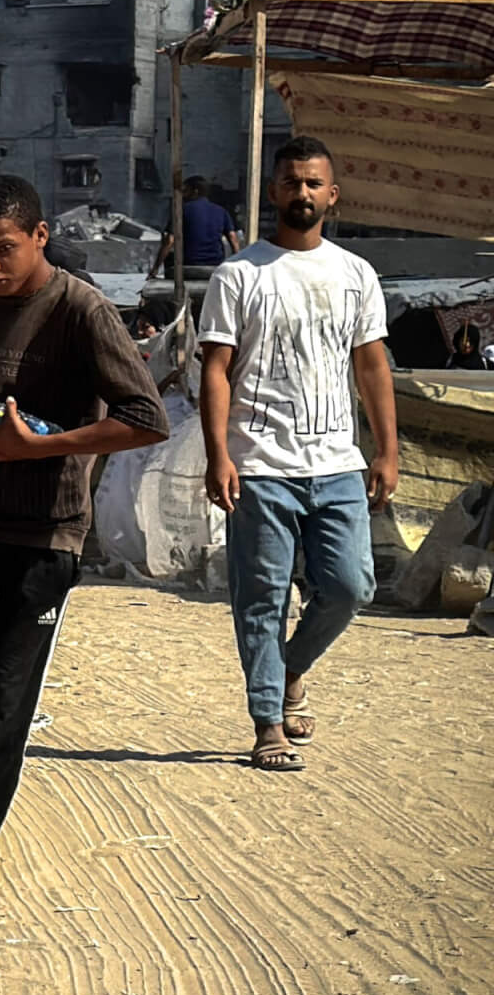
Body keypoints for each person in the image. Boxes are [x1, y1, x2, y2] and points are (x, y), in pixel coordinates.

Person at [0, 174, 168, 914]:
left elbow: (146, 419)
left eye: (4, 250)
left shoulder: (83, 311)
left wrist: (44, 449)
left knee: (6, 704)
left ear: (40, 236)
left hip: (47, 536)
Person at [199, 137, 395, 774]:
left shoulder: (356, 274)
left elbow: (371, 366)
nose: (302, 193)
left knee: (350, 585)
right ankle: (268, 724)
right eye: (291, 182)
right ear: (273, 192)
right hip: (259, 465)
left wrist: (386, 451)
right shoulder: (239, 275)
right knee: (262, 598)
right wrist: (218, 454)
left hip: (337, 463)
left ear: (332, 196)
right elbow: (216, 370)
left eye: (313, 183)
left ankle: (289, 669)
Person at [152, 176, 242, 276]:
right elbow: (233, 239)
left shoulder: (181, 211)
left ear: (195, 191)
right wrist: (238, 266)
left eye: (185, 191)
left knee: (170, 257)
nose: (182, 195)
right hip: (215, 265)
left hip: (188, 264)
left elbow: (169, 240)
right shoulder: (221, 211)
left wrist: (155, 268)